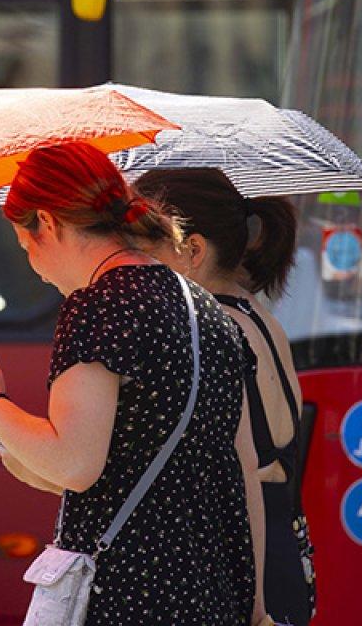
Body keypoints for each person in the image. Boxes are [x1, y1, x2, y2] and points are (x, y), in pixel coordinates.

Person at [0, 142, 268, 626]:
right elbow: (241, 467)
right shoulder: (208, 310)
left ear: (49, 223)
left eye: (25, 246)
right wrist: (256, 606)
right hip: (213, 592)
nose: (34, 268)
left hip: (128, 594)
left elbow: (76, 462)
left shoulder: (98, 306)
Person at [134, 168, 316, 626]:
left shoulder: (213, 334)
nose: (134, 262)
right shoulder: (260, 318)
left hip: (240, 574)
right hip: (286, 561)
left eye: (145, 245)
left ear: (192, 250)